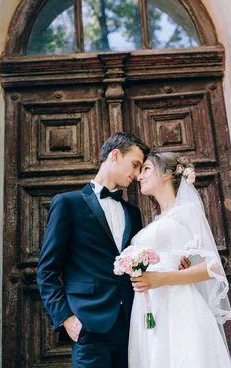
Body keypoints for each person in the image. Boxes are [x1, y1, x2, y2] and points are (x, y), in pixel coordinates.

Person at [37, 132, 149, 368]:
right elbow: (47, 270)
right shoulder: (68, 204)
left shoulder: (133, 213)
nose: (137, 174)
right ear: (115, 155)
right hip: (89, 326)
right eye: (135, 164)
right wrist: (65, 318)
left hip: (131, 325)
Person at [128, 152, 231, 368]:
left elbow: (213, 267)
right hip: (149, 307)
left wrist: (162, 278)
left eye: (146, 169)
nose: (139, 176)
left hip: (179, 304)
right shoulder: (157, 219)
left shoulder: (189, 210)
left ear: (167, 175)